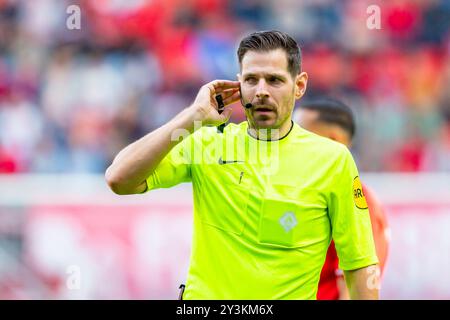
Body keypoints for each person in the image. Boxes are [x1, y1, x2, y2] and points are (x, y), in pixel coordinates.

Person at [105, 30, 380, 300]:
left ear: (299, 85)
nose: (261, 91)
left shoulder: (332, 160)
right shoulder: (207, 143)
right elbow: (119, 178)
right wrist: (192, 116)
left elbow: (359, 263)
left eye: (274, 80)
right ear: (238, 84)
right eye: (251, 80)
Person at [293, 98, 389, 300]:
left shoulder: (359, 205)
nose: (291, 143)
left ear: (333, 141)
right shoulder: (313, 195)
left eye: (300, 135)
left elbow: (352, 290)